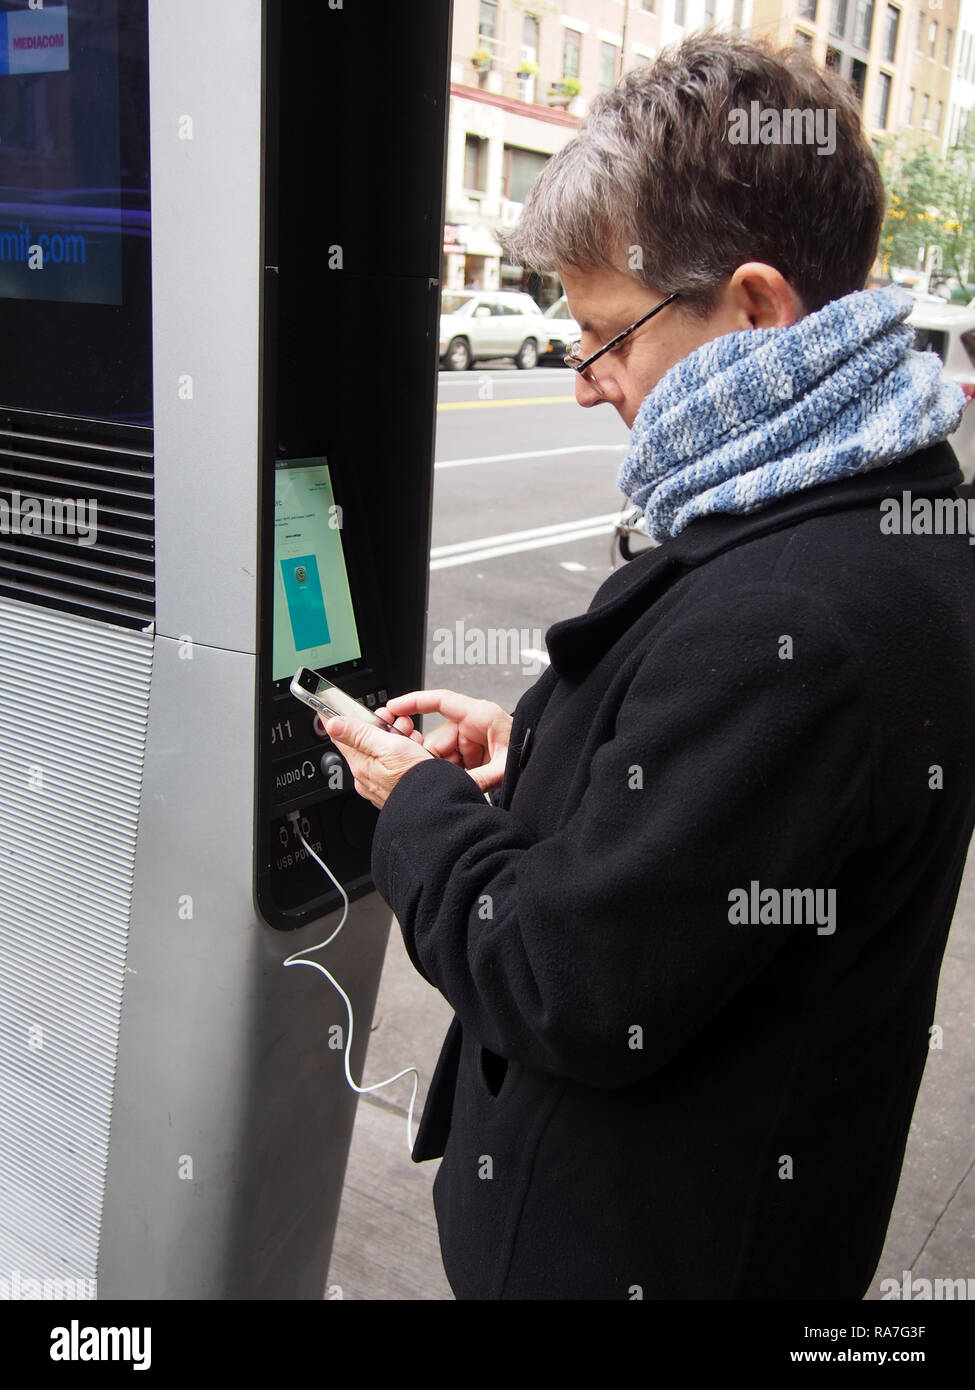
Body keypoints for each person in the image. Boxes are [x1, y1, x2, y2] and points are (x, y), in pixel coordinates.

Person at [323, 33, 975, 1299]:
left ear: (758, 305)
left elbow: (567, 974)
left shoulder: (796, 617)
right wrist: (543, 760)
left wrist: (418, 808)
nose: (588, 385)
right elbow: (727, 841)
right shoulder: (870, 508)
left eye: (607, 337)